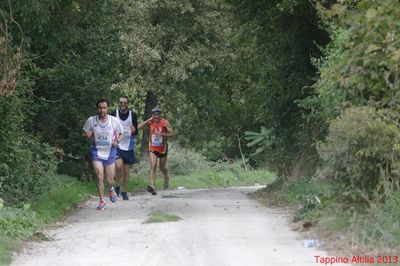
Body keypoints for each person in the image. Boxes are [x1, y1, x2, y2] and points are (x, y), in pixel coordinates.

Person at [82, 99, 123, 210]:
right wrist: (87, 135)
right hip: (97, 152)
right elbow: (84, 133)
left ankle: (111, 189)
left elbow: (121, 134)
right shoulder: (91, 120)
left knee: (110, 180)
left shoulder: (114, 121)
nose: (102, 110)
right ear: (97, 108)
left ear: (107, 108)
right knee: (99, 176)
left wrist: (117, 141)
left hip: (110, 152)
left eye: (104, 108)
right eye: (100, 108)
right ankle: (102, 200)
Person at [138, 107, 174, 195]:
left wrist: (163, 134)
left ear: (160, 115)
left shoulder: (165, 122)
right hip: (153, 148)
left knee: (162, 168)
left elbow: (172, 134)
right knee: (153, 165)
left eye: (158, 114)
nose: (156, 116)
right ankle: (153, 187)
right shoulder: (150, 122)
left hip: (162, 148)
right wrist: (148, 120)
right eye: (154, 115)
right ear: (152, 115)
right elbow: (138, 127)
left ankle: (166, 176)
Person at [110, 96, 138, 200]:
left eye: (124, 103)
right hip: (118, 144)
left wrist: (134, 131)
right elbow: (109, 127)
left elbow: (136, 132)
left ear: (127, 104)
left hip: (128, 145)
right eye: (121, 102)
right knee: (118, 166)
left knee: (126, 171)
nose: (122, 104)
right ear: (118, 103)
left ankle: (124, 191)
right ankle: (117, 184)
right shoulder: (114, 114)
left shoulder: (133, 115)